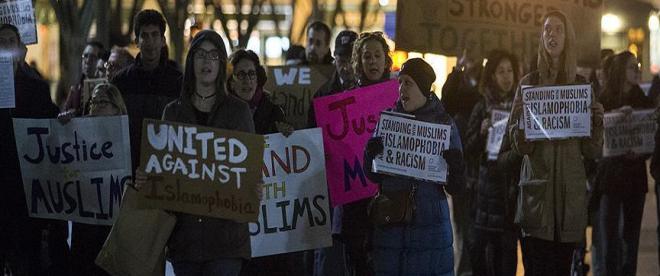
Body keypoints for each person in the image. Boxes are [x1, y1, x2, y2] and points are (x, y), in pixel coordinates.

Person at [144, 29, 255, 275]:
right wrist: (150, 180)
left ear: (222, 63)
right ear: (191, 60)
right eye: (201, 55)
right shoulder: (172, 113)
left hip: (227, 240)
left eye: (214, 55)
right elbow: (163, 173)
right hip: (185, 241)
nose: (207, 61)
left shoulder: (238, 111)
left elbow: (249, 170)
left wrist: (253, 184)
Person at [507, 10, 604, 276]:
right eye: (547, 29)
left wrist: (596, 123)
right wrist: (524, 127)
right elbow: (518, 146)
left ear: (568, 38)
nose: (552, 35)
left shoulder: (582, 87)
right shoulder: (529, 85)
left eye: (558, 29)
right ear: (541, 38)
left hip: (568, 206)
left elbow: (592, 150)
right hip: (536, 204)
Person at [363, 57, 465, 276]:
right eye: (400, 82)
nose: (401, 89)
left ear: (423, 87)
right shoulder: (388, 121)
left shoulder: (444, 125)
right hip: (391, 231)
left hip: (430, 232)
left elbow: (456, 188)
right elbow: (373, 176)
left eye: (408, 83)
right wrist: (369, 157)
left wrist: (455, 169)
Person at [0, 23, 70, 276]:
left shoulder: (36, 87)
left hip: (24, 197)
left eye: (11, 41)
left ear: (20, 49)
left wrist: (63, 121)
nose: (6, 46)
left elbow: (51, 124)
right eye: (1, 42)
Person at [591, 51, 654, 276]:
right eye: (631, 67)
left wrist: (641, 153)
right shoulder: (604, 99)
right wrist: (614, 116)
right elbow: (594, 138)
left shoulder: (645, 102)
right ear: (620, 70)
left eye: (637, 65)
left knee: (631, 239)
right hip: (610, 179)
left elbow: (649, 140)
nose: (637, 70)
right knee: (610, 239)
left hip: (635, 178)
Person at [338, 31, 393, 276]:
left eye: (377, 56)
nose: (372, 61)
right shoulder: (344, 102)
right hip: (356, 205)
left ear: (385, 60)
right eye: (366, 56)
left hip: (390, 201)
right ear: (358, 62)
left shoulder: (399, 99)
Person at [464, 50, 520, 276]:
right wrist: (481, 133)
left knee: (507, 257)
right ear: (492, 76)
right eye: (501, 71)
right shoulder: (482, 106)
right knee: (480, 256)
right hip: (486, 197)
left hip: (511, 196)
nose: (507, 76)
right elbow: (468, 148)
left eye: (510, 71)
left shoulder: (521, 106)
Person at [308, 29, 358, 276]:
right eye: (341, 58)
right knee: (329, 256)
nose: (345, 65)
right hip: (329, 191)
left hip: (360, 192)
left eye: (350, 59)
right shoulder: (322, 97)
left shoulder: (369, 96)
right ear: (335, 59)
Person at [66, 83, 128, 276]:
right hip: (84, 228)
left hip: (113, 231)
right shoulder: (77, 135)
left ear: (117, 108)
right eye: (93, 101)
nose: (96, 106)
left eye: (103, 102)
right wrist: (61, 129)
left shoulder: (127, 139)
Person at [112, 9, 183, 172]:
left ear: (163, 40)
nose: (150, 42)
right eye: (144, 35)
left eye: (155, 35)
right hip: (129, 168)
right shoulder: (121, 82)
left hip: (168, 168)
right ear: (136, 41)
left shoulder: (178, 82)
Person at [440, 48, 482, 276]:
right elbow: (446, 102)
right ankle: (464, 270)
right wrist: (458, 69)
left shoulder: (488, 80)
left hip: (482, 166)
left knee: (479, 227)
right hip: (460, 167)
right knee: (462, 225)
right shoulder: (456, 81)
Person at [227, 49, 289, 135]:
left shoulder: (274, 112)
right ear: (231, 82)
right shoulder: (221, 112)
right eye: (241, 74)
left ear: (258, 78)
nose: (247, 80)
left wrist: (286, 135)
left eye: (252, 73)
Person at [61, 41, 105, 116]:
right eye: (85, 56)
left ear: (101, 61)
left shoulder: (106, 88)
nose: (87, 61)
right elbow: (64, 113)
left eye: (93, 57)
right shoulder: (75, 90)